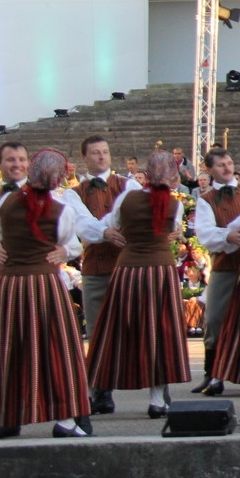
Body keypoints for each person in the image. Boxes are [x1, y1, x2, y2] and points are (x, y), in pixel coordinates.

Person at [0, 148, 95, 439]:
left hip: (10, 284)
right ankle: (66, 419)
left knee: (9, 349)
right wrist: (65, 250)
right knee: (57, 349)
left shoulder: (6, 204)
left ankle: (7, 416)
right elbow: (70, 244)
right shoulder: (60, 208)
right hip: (44, 285)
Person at [86, 151, 191, 419]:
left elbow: (112, 224)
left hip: (129, 269)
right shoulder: (174, 204)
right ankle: (157, 399)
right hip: (160, 270)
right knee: (160, 331)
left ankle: (96, 391)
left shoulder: (127, 198)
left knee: (118, 330)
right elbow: (174, 231)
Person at [191, 147, 240, 397]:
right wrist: (228, 235)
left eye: (229, 163)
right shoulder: (207, 199)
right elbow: (204, 234)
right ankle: (212, 374)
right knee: (215, 318)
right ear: (209, 169)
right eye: (220, 165)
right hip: (225, 266)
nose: (226, 168)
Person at [68, 135, 136, 415]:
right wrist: (105, 232)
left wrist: (110, 229)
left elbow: (136, 214)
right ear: (85, 157)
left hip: (128, 266)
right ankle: (101, 392)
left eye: (105, 152)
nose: (101, 157)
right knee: (96, 333)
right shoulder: (73, 192)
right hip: (95, 268)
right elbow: (82, 224)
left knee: (139, 328)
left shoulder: (128, 185)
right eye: (95, 153)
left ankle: (159, 389)